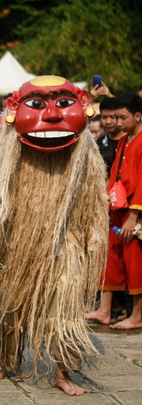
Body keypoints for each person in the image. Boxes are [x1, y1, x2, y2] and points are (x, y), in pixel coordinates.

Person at [0, 76, 106, 396]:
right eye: (40, 106)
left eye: (63, 105)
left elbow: (94, 201)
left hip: (64, 242)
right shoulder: (10, 148)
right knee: (10, 306)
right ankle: (3, 358)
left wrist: (93, 240)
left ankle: (62, 370)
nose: (53, 116)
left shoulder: (84, 152)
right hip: (20, 242)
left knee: (65, 311)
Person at [85, 93, 142, 329]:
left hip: (134, 212)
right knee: (110, 259)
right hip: (117, 209)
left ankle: (137, 316)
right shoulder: (127, 139)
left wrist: (133, 216)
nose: (117, 123)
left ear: (137, 116)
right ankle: (104, 310)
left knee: (135, 263)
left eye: (122, 118)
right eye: (115, 118)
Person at [97, 97, 123, 176]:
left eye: (112, 117)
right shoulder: (99, 143)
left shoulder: (130, 141)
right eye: (104, 117)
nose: (108, 122)